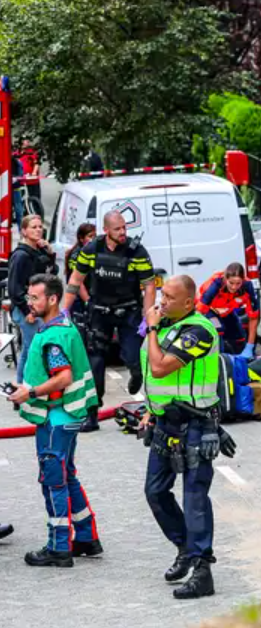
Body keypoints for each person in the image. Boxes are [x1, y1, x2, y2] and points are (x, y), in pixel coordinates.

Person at [6, 273, 101, 567]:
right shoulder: (63, 326)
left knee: (53, 481)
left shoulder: (53, 336)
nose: (29, 302)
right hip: (70, 415)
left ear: (52, 299)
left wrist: (29, 392)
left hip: (56, 419)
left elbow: (63, 377)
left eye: (35, 297)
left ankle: (59, 546)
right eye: (29, 297)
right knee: (67, 475)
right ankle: (86, 537)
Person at [140, 275, 223, 600]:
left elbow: (160, 368)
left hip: (197, 425)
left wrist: (150, 328)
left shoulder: (199, 330)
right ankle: (185, 547)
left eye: (170, 297)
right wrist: (149, 411)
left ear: (189, 302)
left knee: (194, 499)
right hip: (166, 423)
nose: (162, 302)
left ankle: (203, 570)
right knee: (155, 492)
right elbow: (151, 377)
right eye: (161, 295)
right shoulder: (165, 327)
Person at [63, 211, 155, 429]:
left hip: (129, 311)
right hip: (100, 312)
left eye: (124, 227)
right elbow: (76, 278)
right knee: (95, 361)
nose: (123, 232)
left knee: (132, 356)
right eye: (117, 229)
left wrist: (147, 316)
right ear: (106, 230)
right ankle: (92, 414)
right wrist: (63, 310)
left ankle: (136, 373)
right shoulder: (92, 249)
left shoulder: (137, 251)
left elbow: (149, 285)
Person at [8, 215, 58, 383]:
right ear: (23, 231)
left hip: (39, 308)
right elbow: (14, 289)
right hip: (28, 311)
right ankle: (22, 387)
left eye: (40, 226)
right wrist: (28, 311)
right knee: (32, 349)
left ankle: (25, 385)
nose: (38, 230)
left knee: (33, 348)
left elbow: (52, 273)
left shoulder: (39, 251)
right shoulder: (21, 256)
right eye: (33, 227)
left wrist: (50, 254)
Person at [196, 263, 261, 358]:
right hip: (208, 309)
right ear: (225, 279)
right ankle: (219, 361)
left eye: (238, 283)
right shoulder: (215, 284)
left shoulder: (247, 286)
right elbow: (199, 312)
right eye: (231, 283)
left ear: (242, 280)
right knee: (218, 330)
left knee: (240, 337)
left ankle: (239, 364)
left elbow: (254, 317)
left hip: (227, 310)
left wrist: (249, 346)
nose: (234, 287)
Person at [64, 223, 97, 338]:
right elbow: (79, 283)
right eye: (90, 236)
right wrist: (88, 301)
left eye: (95, 236)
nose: (94, 239)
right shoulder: (76, 255)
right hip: (78, 301)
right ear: (81, 239)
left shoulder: (92, 252)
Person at [17, 139, 42, 207]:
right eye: (26, 140)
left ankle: (37, 214)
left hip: (32, 179)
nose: (28, 142)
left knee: (35, 199)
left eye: (28, 140)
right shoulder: (16, 153)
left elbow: (37, 163)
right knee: (18, 198)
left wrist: (34, 172)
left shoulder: (31, 152)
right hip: (20, 180)